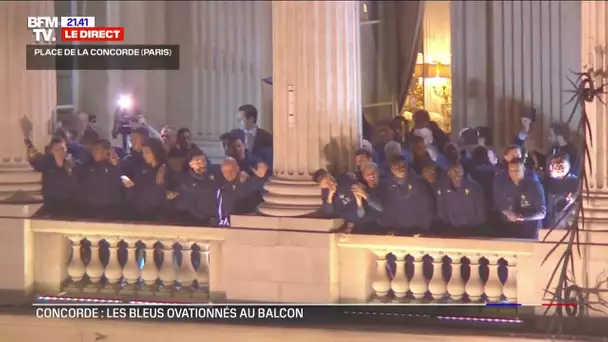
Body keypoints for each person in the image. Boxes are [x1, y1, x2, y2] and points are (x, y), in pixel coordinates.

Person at [378, 156, 433, 236]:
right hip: (394, 233)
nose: (401, 168)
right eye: (398, 166)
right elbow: (383, 211)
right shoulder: (384, 187)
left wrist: (423, 229)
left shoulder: (419, 183)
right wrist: (387, 229)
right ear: (391, 169)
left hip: (417, 232)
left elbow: (427, 207)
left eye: (403, 165)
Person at [26, 136, 80, 217]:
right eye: (58, 150)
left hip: (69, 205)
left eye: (63, 148)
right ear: (52, 151)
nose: (62, 152)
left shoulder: (70, 162)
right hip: (51, 205)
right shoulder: (46, 162)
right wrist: (29, 149)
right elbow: (34, 160)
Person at [493, 159, 546, 239]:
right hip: (509, 229)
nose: (514, 173)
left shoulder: (535, 186)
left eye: (517, 171)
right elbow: (499, 204)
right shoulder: (504, 185)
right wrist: (506, 212)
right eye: (511, 171)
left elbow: (542, 213)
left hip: (530, 230)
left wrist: (520, 216)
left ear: (523, 170)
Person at [313, 168, 377, 234]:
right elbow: (328, 212)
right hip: (349, 220)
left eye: (329, 179)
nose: (330, 183)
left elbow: (361, 197)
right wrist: (330, 196)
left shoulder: (345, 180)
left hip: (365, 216)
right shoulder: (326, 192)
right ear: (322, 186)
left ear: (330, 175)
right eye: (326, 184)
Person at [169, 149, 220, 225]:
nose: (202, 164)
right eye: (198, 162)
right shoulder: (184, 181)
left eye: (203, 161)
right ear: (191, 164)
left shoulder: (215, 173)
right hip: (194, 221)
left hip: (215, 219)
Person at [123, 137, 168, 221]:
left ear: (156, 152)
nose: (144, 156)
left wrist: (164, 167)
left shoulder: (166, 170)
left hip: (159, 216)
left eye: (147, 153)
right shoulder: (141, 169)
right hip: (140, 215)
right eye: (143, 153)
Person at [435, 164, 486, 236]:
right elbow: (441, 211)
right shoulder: (442, 188)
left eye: (458, 173)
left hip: (471, 231)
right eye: (453, 173)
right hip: (449, 231)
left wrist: (470, 227)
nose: (456, 176)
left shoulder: (475, 188)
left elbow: (481, 215)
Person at [80, 139, 123, 219]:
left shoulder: (118, 166)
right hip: (90, 213)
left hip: (110, 214)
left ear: (107, 151)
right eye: (93, 150)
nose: (94, 152)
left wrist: (116, 166)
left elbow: (125, 184)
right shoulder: (88, 166)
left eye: (97, 149)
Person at [545, 155, 579, 229]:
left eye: (554, 165)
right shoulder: (549, 183)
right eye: (551, 166)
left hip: (570, 221)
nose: (551, 168)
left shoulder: (576, 182)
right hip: (554, 223)